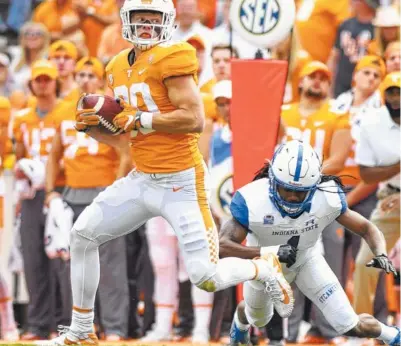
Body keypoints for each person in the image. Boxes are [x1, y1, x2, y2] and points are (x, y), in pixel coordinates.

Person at [48, 0, 293, 344]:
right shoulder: (117, 66)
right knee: (83, 235)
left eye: (153, 19)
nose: (146, 25)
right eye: (140, 18)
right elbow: (123, 139)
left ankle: (263, 267)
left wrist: (142, 119)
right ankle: (82, 329)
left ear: (167, 23)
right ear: (126, 21)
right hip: (143, 176)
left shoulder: (174, 56)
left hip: (182, 182)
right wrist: (93, 129)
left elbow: (194, 119)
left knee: (205, 276)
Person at [219, 140, 400, 346]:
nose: (293, 197)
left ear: (315, 186)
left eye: (301, 191)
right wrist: (271, 251)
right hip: (263, 267)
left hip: (306, 260)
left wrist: (381, 253)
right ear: (272, 180)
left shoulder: (327, 197)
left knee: (349, 324)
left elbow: (367, 228)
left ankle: (393, 336)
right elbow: (223, 246)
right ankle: (241, 320)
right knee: (259, 318)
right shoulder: (252, 199)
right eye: (286, 189)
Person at [353, 71, 400, 317]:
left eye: (400, 93)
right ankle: (360, 327)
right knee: (364, 263)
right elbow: (367, 174)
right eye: (391, 92)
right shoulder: (372, 123)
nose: (396, 99)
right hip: (390, 198)